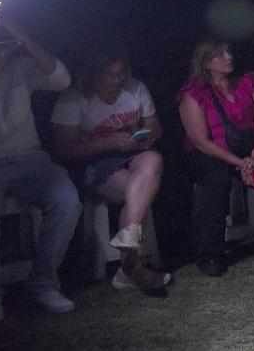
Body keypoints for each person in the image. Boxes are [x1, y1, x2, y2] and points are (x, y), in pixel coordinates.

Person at [0, 11, 82, 318]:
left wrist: (13, 27)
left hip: (30, 157)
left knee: (66, 200)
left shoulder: (20, 66)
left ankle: (43, 283)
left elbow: (60, 78)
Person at [51, 50, 171, 292]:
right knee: (141, 190)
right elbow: (64, 150)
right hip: (94, 163)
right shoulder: (73, 99)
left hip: (132, 154)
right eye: (110, 75)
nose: (117, 80)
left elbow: (155, 126)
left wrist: (143, 138)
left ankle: (128, 252)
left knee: (153, 160)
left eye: (121, 74)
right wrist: (108, 143)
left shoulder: (135, 88)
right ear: (94, 75)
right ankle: (130, 266)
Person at [177, 38, 254, 276]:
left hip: (249, 149)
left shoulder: (247, 83)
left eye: (229, 51)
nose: (229, 56)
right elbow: (200, 140)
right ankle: (210, 253)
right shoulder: (194, 94)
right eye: (220, 54)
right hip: (211, 153)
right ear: (207, 62)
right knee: (216, 181)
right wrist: (239, 164)